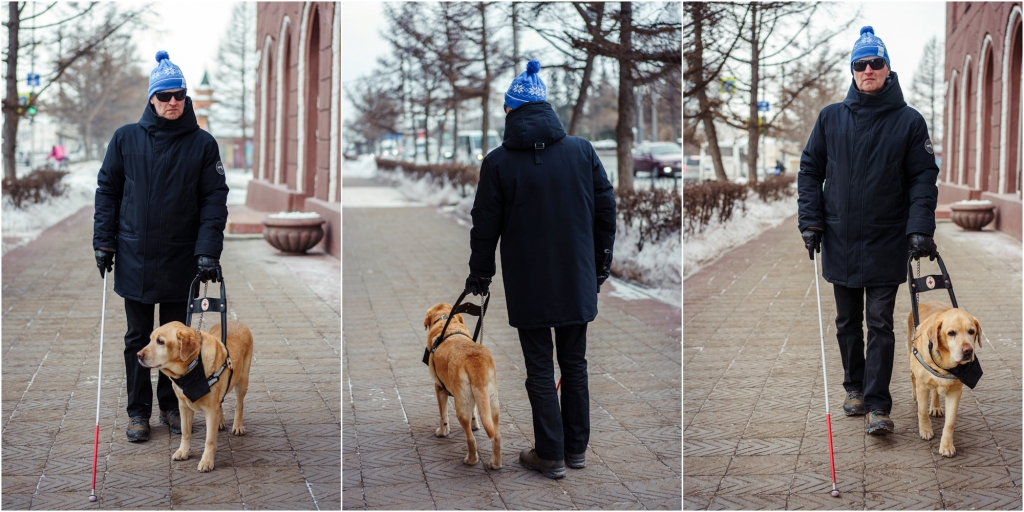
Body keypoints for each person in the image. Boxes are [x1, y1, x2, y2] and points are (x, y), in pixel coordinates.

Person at [466, 60, 616, 479]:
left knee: (539, 366)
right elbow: (607, 211)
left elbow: (485, 225)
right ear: (546, 107)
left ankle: (549, 453)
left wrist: (480, 275)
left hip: (528, 282)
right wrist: (601, 263)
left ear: (512, 111)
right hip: (576, 277)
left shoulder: (498, 162)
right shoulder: (582, 151)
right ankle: (576, 450)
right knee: (576, 364)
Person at [798, 27, 939, 435]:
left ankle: (878, 405)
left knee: (880, 322)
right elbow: (810, 172)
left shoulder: (910, 122)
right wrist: (811, 221)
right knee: (846, 321)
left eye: (876, 63)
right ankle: (853, 389)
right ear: (853, 71)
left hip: (886, 239)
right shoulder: (830, 118)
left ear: (888, 68)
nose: (868, 70)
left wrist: (919, 229)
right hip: (840, 239)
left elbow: (923, 179)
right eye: (860, 64)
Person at [93, 51, 228, 442]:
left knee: (180, 343)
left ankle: (173, 406)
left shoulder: (203, 144)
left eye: (179, 96)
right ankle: (138, 413)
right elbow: (108, 192)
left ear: (186, 99)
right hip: (134, 256)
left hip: (181, 259)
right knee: (139, 340)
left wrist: (208, 250)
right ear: (151, 98)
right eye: (165, 95)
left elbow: (214, 199)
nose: (173, 102)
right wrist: (104, 242)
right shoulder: (126, 139)